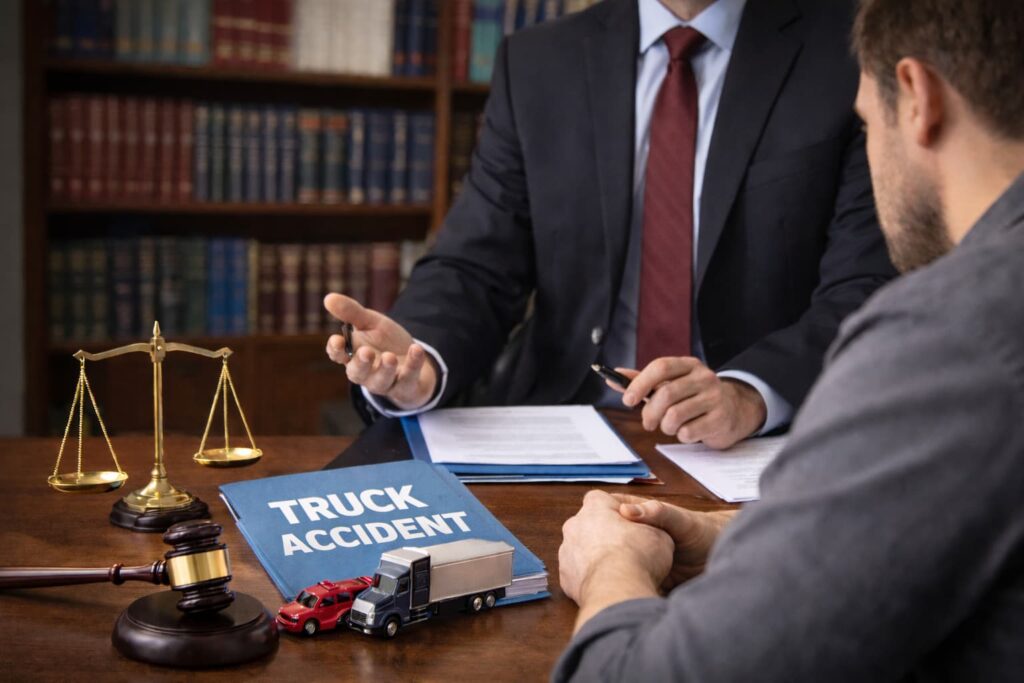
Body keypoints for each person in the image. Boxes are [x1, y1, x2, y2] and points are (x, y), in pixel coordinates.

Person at [554, 0, 1024, 679]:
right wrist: (748, 536)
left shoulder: (952, 337)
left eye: (865, 122)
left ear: (917, 99)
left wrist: (608, 563)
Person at [324, 0, 894, 448]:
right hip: (559, 422)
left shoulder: (853, 51)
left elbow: (864, 288)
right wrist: (420, 360)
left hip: (753, 443)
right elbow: (476, 265)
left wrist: (749, 394)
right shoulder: (539, 62)